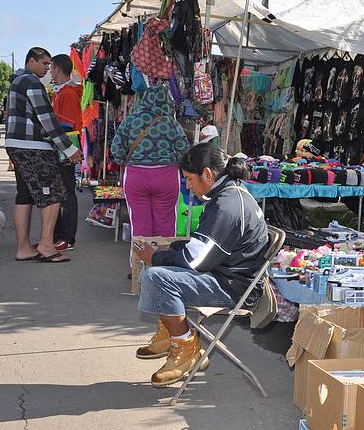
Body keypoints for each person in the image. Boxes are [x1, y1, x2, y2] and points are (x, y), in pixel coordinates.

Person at [131, 143, 269, 387]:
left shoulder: (227, 204)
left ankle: (186, 348)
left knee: (156, 274)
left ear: (207, 174)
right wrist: (166, 252)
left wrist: (157, 257)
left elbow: (196, 260)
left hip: (232, 288)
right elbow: (203, 248)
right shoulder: (228, 193)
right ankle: (169, 332)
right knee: (156, 264)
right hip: (224, 274)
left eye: (189, 179)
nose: (188, 185)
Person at [5, 47, 82, 263]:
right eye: (45, 64)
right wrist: (69, 148)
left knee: (25, 195)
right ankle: (47, 246)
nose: (48, 69)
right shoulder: (31, 83)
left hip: (16, 143)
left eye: (50, 65)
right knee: (53, 194)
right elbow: (47, 119)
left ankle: (23, 248)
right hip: (33, 146)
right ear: (32, 61)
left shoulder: (17, 81)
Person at [110, 84, 189, 240]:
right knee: (166, 225)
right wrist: (175, 162)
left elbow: (116, 148)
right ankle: (163, 262)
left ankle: (141, 263)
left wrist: (124, 161)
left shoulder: (131, 120)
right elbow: (183, 148)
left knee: (140, 226)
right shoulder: (171, 123)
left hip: (136, 176)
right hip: (166, 176)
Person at [49, 53, 83, 251]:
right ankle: (56, 236)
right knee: (60, 193)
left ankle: (67, 237)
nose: (50, 71)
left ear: (58, 69)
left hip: (65, 149)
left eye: (51, 68)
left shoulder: (67, 93)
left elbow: (69, 126)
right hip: (62, 148)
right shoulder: (62, 92)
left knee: (67, 194)